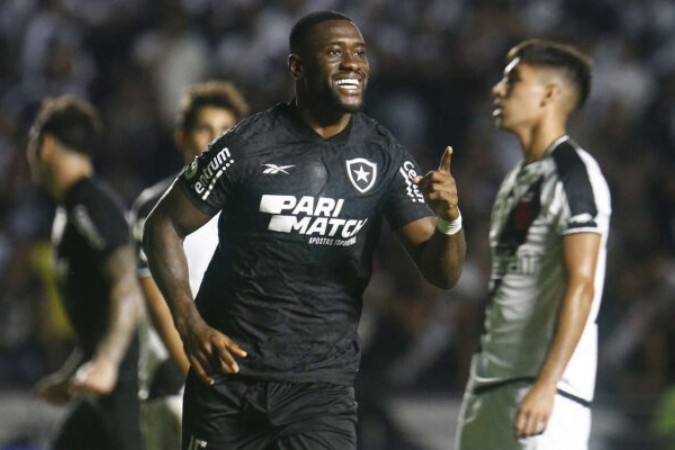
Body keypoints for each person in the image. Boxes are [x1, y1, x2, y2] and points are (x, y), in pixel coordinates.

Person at [142, 10, 466, 450]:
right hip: (229, 381)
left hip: (320, 390)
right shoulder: (248, 144)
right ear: (297, 67)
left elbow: (442, 273)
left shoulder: (384, 154)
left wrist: (450, 218)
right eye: (335, 52)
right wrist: (190, 325)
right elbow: (163, 224)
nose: (353, 63)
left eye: (360, 53)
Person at [454, 39, 612, 449]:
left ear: (549, 95)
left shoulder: (575, 174)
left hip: (544, 394)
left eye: (513, 81)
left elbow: (583, 284)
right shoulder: (516, 180)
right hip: (488, 388)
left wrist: (547, 385)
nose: (498, 89)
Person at [130, 80, 250, 450]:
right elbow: (155, 298)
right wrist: (199, 378)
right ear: (182, 137)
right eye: (205, 129)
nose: (215, 141)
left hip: (237, 385)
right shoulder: (155, 207)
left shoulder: (250, 209)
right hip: (175, 384)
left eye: (225, 132)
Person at [27, 95, 143, 450]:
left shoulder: (89, 205)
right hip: (103, 390)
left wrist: (106, 363)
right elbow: (100, 314)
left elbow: (128, 286)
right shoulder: (76, 208)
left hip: (126, 391)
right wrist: (72, 375)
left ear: (45, 145)